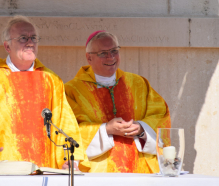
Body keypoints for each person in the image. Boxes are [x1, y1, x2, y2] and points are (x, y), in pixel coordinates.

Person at [0, 16, 88, 173]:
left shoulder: (51, 80)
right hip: (3, 171)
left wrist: (70, 160)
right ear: (7, 46)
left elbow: (65, 123)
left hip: (43, 169)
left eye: (33, 38)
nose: (30, 42)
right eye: (23, 38)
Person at [65, 31, 171, 173]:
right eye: (103, 53)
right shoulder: (72, 90)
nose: (111, 57)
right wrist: (106, 129)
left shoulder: (138, 83)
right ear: (89, 58)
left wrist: (141, 128)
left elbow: (161, 116)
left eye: (114, 51)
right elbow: (68, 130)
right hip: (99, 172)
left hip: (139, 168)